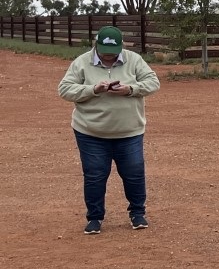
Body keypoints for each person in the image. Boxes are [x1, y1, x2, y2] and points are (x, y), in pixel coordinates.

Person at [58, 25, 160, 234]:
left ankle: (137, 213)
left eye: (114, 53)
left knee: (134, 173)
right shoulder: (81, 63)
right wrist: (93, 89)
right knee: (95, 175)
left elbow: (153, 82)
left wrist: (131, 89)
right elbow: (65, 89)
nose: (109, 57)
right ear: (96, 45)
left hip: (129, 131)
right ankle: (95, 217)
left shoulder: (133, 60)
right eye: (105, 52)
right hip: (90, 132)